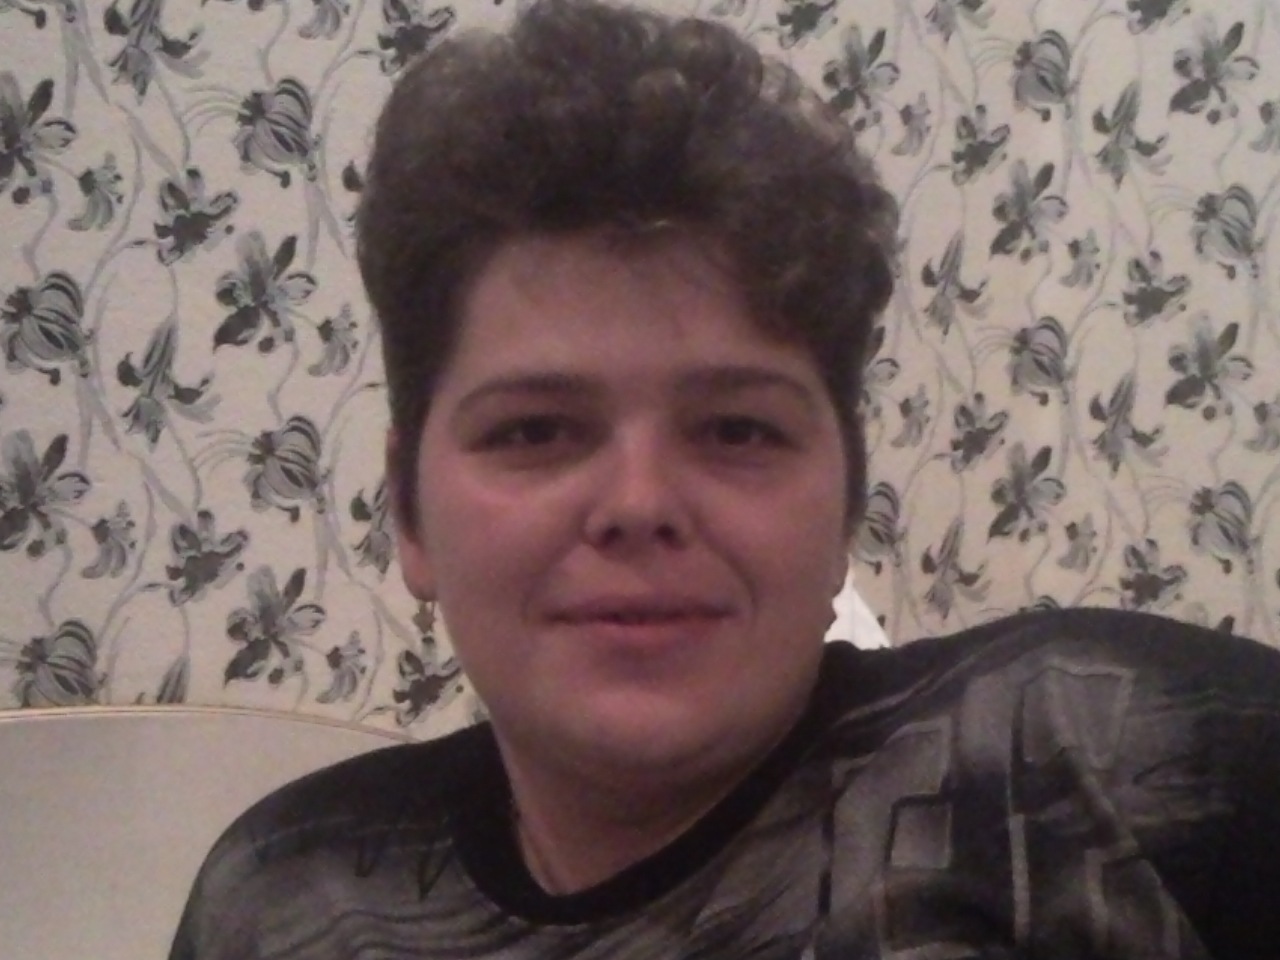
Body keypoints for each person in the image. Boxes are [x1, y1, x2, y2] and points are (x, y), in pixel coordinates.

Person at [169, 1, 1280, 957]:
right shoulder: (287, 900)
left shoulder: (1108, 764)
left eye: (738, 429)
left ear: (845, 505)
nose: (639, 503)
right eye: (535, 430)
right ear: (409, 512)